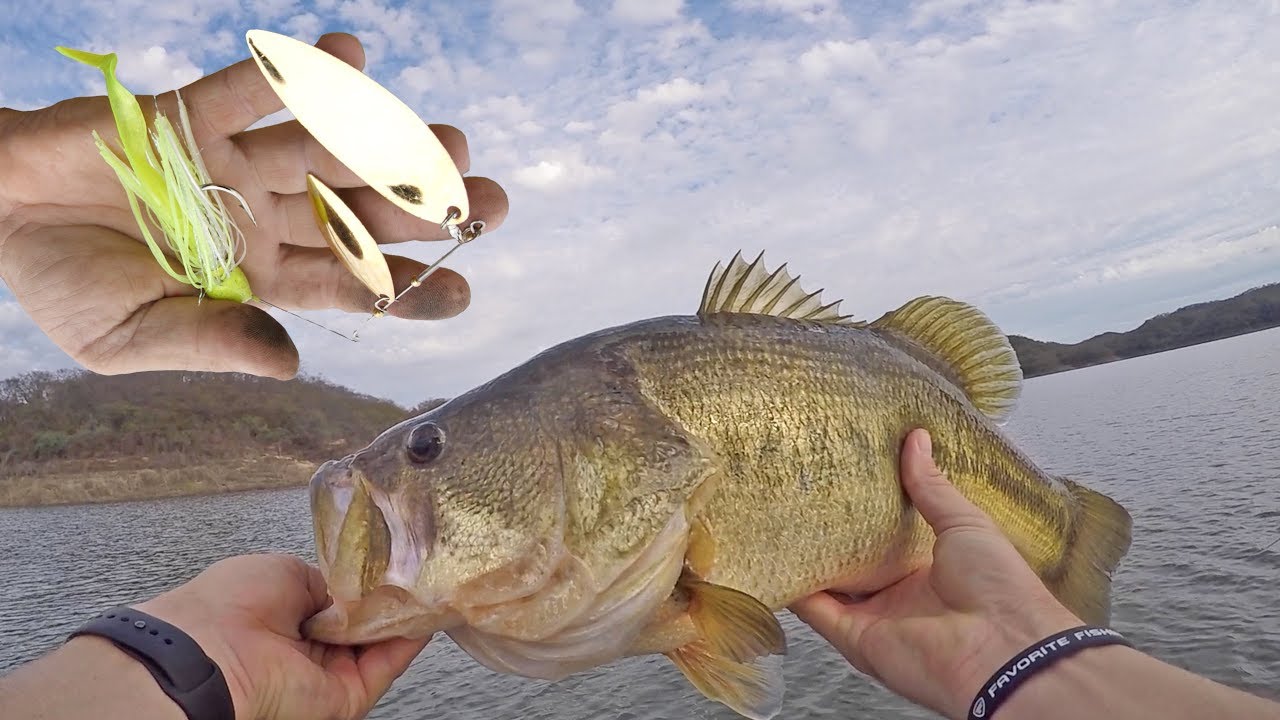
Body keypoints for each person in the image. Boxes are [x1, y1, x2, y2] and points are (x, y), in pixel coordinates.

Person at [0, 33, 1276, 720]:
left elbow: (720, 631)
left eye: (428, 448)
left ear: (614, 449)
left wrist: (151, 678)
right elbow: (716, 628)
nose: (384, 471)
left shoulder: (650, 431)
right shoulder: (624, 482)